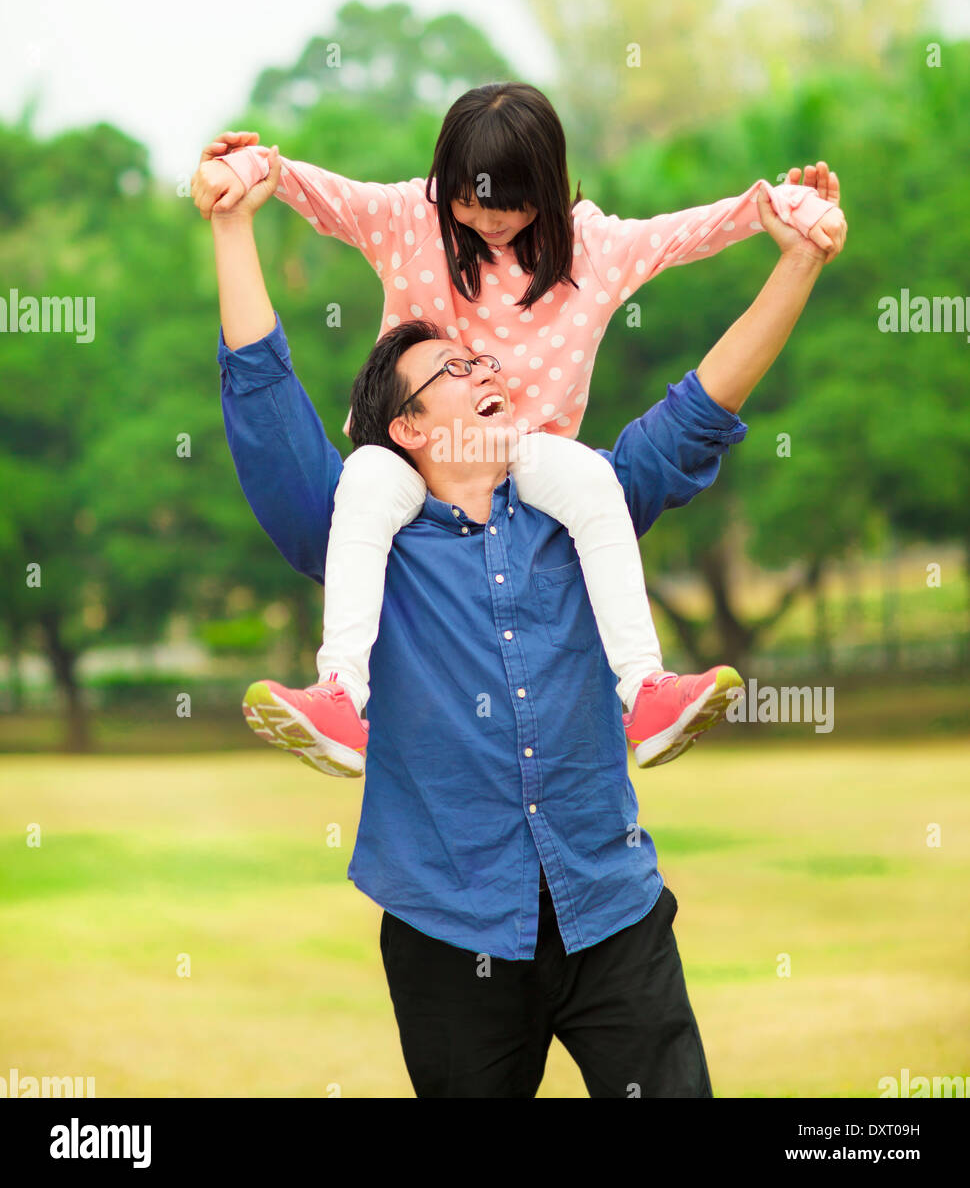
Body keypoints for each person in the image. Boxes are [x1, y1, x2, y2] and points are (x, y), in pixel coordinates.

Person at [212, 139, 846, 1097]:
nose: (485, 367)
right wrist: (231, 224)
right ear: (409, 430)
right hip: (446, 929)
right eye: (451, 371)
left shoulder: (587, 508)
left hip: (612, 912)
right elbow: (264, 401)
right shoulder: (363, 535)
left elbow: (706, 405)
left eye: (480, 357)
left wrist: (799, 260)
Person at [192, 82, 845, 774]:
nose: (485, 221)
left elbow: (688, 231)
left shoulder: (594, 249)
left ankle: (647, 689)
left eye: (509, 205)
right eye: (468, 202)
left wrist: (781, 210)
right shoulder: (415, 220)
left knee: (594, 478)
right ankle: (340, 695)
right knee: (362, 480)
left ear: (549, 188)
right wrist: (252, 169)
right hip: (410, 453)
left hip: (525, 459)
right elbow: (321, 192)